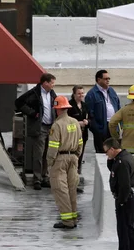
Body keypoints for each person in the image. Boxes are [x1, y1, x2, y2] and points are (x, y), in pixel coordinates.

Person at [103, 138, 134, 250]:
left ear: (112, 149)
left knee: (123, 231)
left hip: (125, 199)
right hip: (130, 198)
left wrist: (120, 201)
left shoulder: (122, 162)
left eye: (107, 152)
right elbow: (113, 170)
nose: (106, 155)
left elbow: (125, 185)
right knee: (129, 230)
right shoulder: (124, 157)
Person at [14, 73, 57, 190]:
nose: (53, 85)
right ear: (45, 83)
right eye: (52, 83)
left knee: (48, 154)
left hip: (50, 127)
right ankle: (37, 179)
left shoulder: (52, 94)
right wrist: (33, 113)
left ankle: (45, 177)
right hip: (40, 127)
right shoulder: (34, 93)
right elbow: (19, 102)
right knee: (39, 153)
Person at [47, 96, 83, 229]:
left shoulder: (57, 125)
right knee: (72, 188)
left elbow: (53, 146)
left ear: (57, 109)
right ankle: (73, 218)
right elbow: (80, 142)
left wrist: (50, 162)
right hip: (73, 158)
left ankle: (67, 221)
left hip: (60, 159)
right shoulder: (75, 122)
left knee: (61, 190)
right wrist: (76, 156)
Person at [84, 70, 121, 153]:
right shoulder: (92, 94)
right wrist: (97, 129)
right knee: (102, 153)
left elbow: (118, 107)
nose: (108, 80)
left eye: (109, 79)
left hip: (113, 126)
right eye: (105, 79)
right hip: (101, 129)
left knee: (115, 151)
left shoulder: (112, 91)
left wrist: (119, 125)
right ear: (98, 80)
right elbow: (90, 114)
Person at [67, 85, 89, 176]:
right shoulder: (69, 105)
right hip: (72, 134)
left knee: (80, 154)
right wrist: (77, 123)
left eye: (82, 93)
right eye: (79, 93)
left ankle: (77, 174)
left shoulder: (85, 105)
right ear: (74, 94)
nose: (81, 95)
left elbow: (90, 117)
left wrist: (88, 121)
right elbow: (66, 120)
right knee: (72, 155)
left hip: (83, 134)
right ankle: (71, 173)